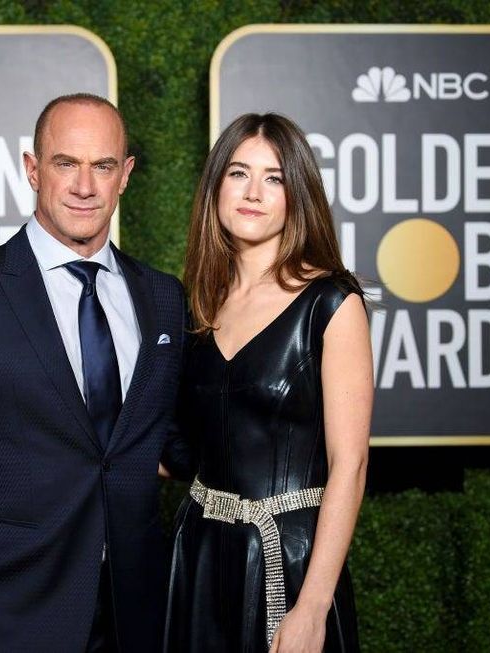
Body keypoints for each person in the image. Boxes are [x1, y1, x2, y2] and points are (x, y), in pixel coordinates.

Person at [0, 94, 190, 653]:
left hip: (140, 614)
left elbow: (165, 435)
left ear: (125, 176)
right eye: (65, 163)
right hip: (10, 612)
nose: (84, 185)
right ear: (32, 169)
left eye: (102, 166)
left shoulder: (163, 297)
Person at [164, 113, 373, 653]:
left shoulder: (332, 303)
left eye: (274, 178)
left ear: (295, 194)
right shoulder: (197, 304)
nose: (253, 192)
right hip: (200, 557)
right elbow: (185, 448)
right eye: (238, 173)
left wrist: (312, 606)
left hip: (291, 560)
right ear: (216, 188)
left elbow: (350, 466)